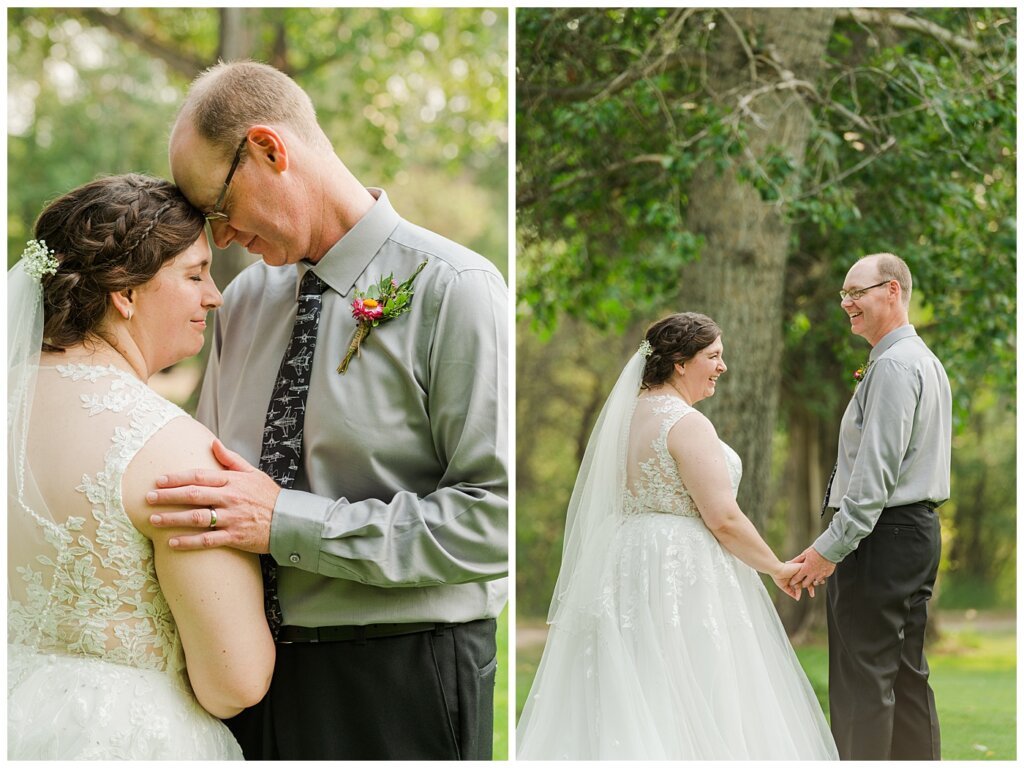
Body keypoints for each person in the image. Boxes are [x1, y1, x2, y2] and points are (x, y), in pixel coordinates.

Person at [145, 61, 508, 760]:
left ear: (269, 151)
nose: (218, 241)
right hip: (245, 683)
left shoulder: (454, 289)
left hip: (402, 678)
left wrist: (289, 524)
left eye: (218, 211)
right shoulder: (242, 302)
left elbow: (494, 520)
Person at [7, 174, 275, 759]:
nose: (216, 297)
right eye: (195, 275)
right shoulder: (171, 450)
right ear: (125, 294)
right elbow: (237, 680)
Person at [516, 312, 838, 760]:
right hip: (680, 571)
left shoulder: (624, 418)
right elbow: (723, 517)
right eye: (714, 356)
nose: (722, 366)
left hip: (623, 561)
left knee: (633, 686)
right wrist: (777, 568)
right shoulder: (686, 423)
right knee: (692, 686)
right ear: (681, 362)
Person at [789, 253, 950, 760]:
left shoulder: (896, 366)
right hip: (915, 534)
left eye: (856, 292)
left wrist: (828, 549)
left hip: (881, 538)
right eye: (843, 294)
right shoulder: (921, 360)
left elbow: (874, 477)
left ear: (893, 291)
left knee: (863, 684)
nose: (846, 303)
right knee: (905, 679)